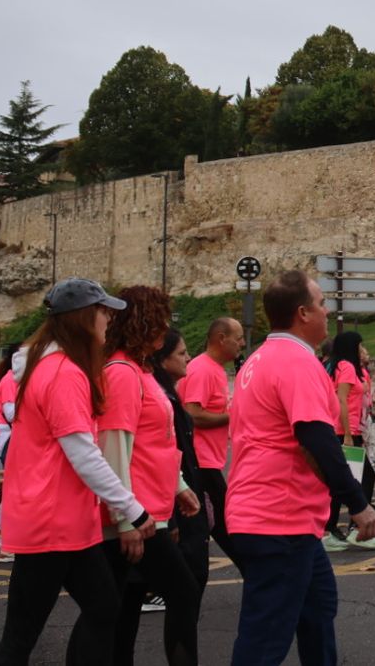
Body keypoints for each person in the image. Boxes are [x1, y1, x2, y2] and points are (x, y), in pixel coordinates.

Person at [0, 279, 154, 666]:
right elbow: (83, 453)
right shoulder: (63, 372)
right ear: (82, 318)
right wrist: (133, 510)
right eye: (102, 311)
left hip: (61, 521)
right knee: (22, 636)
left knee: (102, 609)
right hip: (52, 522)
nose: (109, 318)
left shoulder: (47, 365)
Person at [226, 269, 375, 665]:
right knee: (264, 640)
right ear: (302, 313)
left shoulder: (257, 359)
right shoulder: (297, 361)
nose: (328, 311)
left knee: (318, 611)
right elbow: (317, 439)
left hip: (277, 516)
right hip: (280, 518)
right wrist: (357, 503)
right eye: (322, 303)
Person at [82, 285, 201, 666]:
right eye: (161, 321)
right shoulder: (121, 372)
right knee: (182, 593)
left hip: (147, 507)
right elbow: (115, 447)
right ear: (143, 322)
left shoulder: (139, 370)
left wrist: (178, 486)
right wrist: (125, 518)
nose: (165, 330)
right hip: (138, 513)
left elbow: (156, 440)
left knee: (119, 607)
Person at [150, 329, 213, 599]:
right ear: (163, 360)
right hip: (177, 504)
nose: (188, 358)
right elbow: (160, 455)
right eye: (181, 353)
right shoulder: (161, 398)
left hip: (184, 496)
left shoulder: (169, 395)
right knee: (187, 587)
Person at [176, 317, 242, 557]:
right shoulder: (203, 369)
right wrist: (232, 416)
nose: (242, 344)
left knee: (210, 524)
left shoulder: (214, 369)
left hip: (208, 460)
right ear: (221, 339)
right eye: (238, 338)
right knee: (224, 523)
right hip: (200, 462)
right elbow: (192, 414)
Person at [323, 332, 375, 551]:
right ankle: (353, 528)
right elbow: (341, 400)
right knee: (364, 476)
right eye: (359, 345)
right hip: (344, 430)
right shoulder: (346, 367)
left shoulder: (343, 366)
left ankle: (336, 528)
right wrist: (348, 433)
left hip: (348, 429)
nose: (361, 349)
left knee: (342, 480)